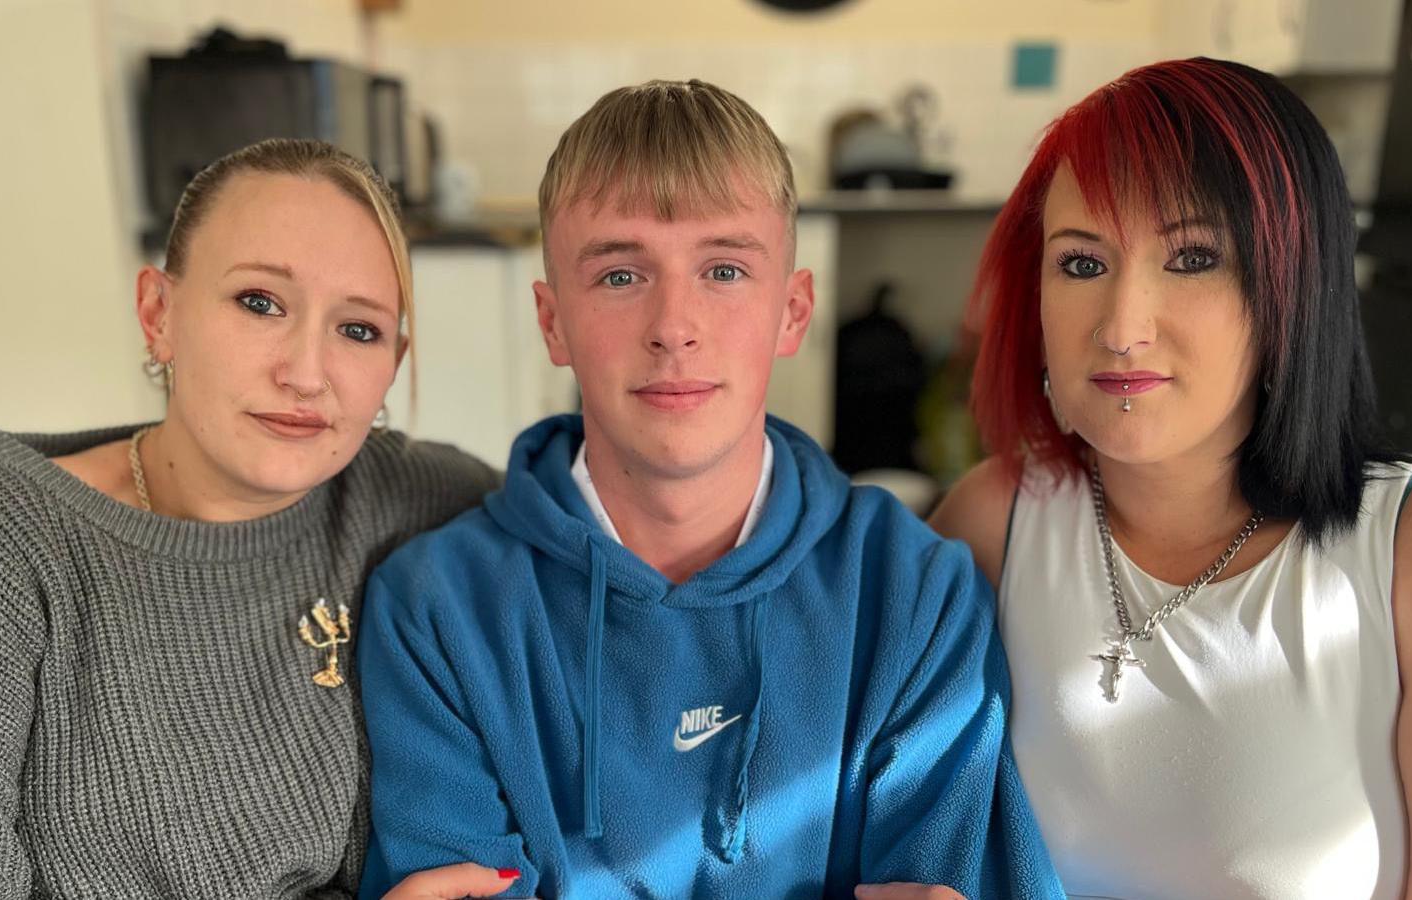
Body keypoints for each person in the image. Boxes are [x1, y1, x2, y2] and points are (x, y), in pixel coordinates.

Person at [357, 79, 1063, 900]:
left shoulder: (916, 594)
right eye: (621, 276)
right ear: (553, 322)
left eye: (724, 269)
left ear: (793, 311)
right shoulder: (435, 609)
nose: (674, 325)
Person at [0, 139, 499, 897]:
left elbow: (615, 522)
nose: (305, 373)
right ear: (158, 314)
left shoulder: (409, 497)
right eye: (260, 303)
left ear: (391, 365)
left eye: (357, 330)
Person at [929, 58, 1412, 899]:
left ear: (1293, 287)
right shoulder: (991, 526)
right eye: (1080, 263)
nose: (1121, 327)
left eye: (1191, 257)